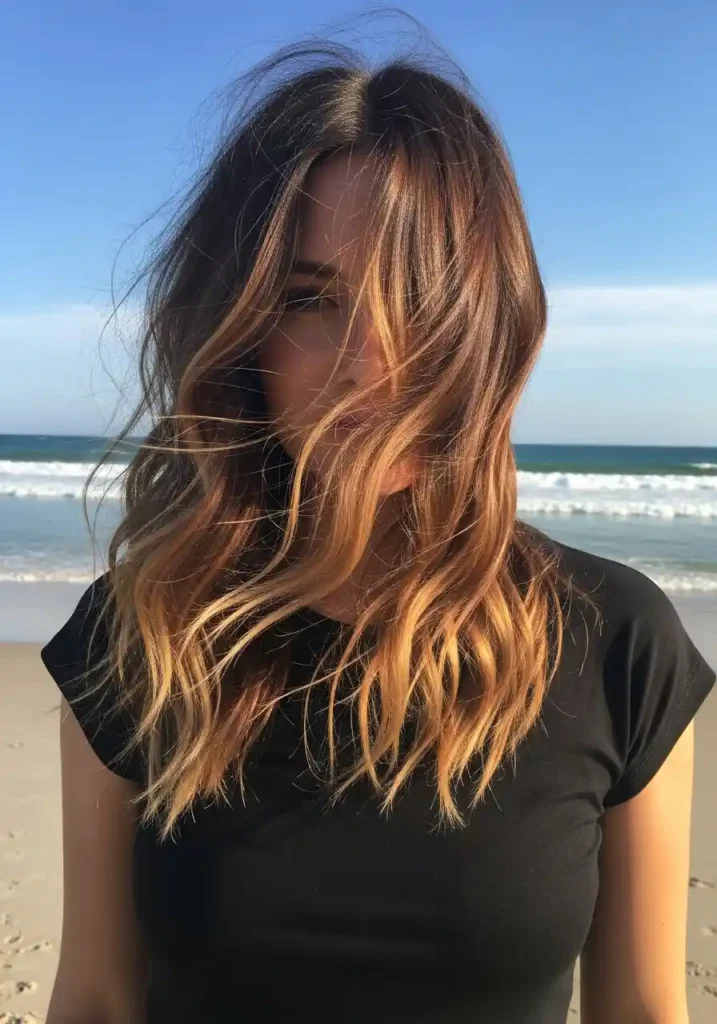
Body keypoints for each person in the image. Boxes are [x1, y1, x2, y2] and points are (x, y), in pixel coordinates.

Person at [41, 37, 714, 1024]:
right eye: (312, 300)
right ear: (240, 329)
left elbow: (646, 1010)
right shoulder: (143, 630)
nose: (373, 363)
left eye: (419, 296)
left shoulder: (616, 642)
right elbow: (97, 1000)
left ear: (489, 322)